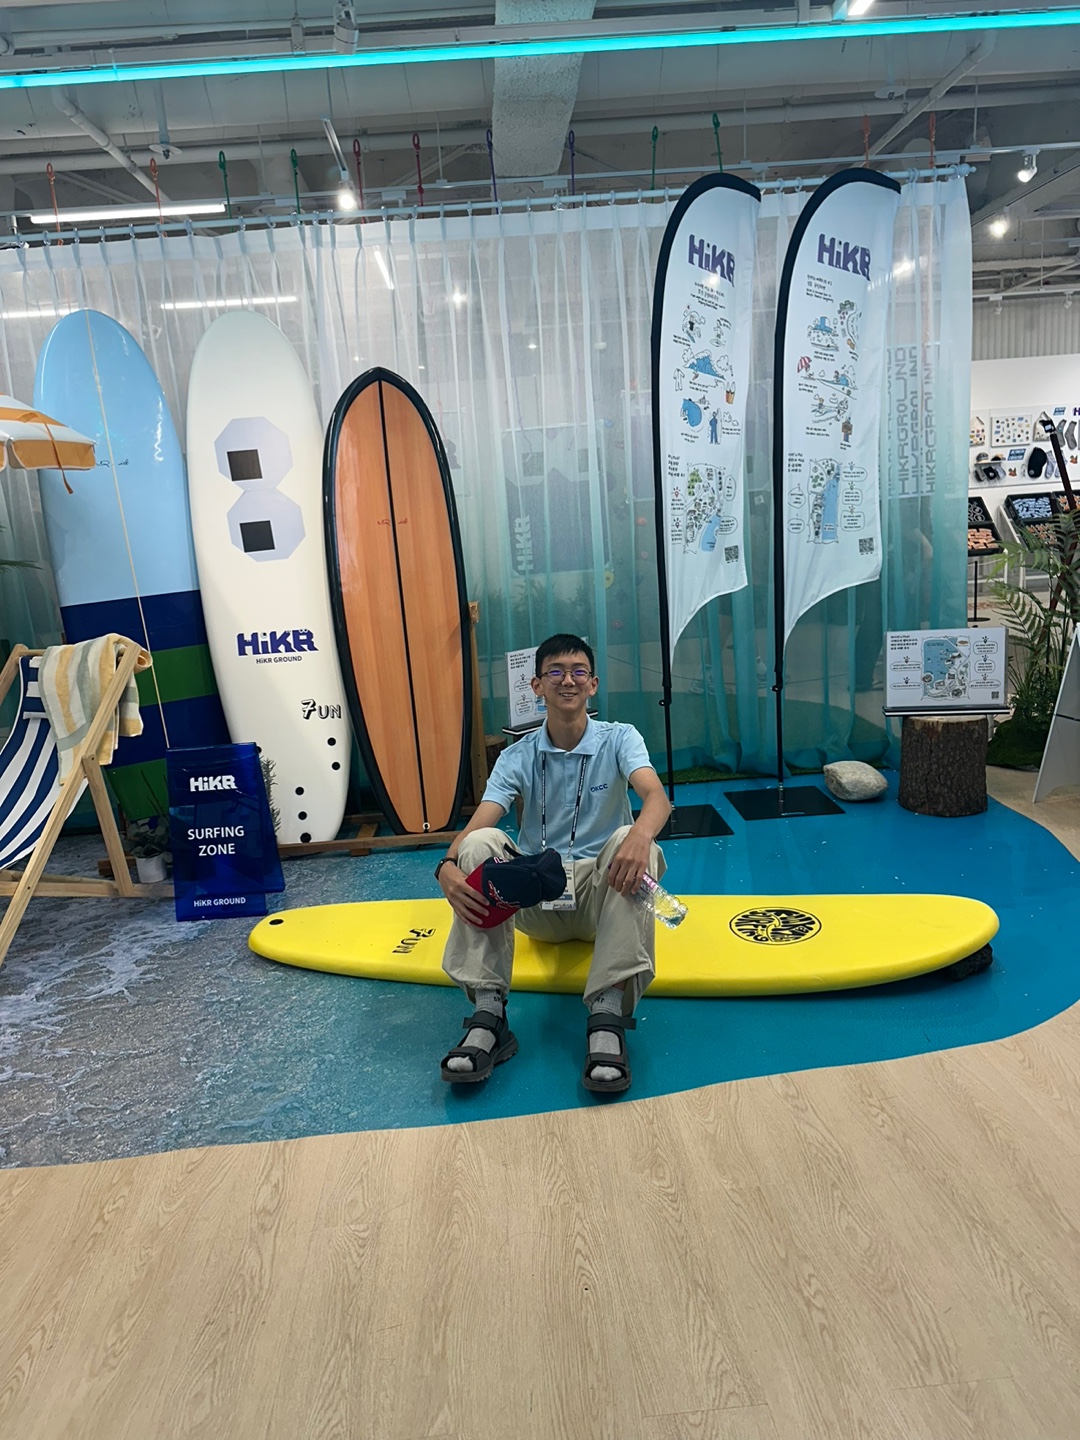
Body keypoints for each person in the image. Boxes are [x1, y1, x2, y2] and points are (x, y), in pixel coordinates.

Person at [434, 633, 672, 1094]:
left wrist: (640, 835)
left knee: (634, 841)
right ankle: (489, 1014)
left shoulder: (620, 738)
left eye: (579, 671)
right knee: (479, 844)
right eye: (556, 672)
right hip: (535, 900)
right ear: (537, 686)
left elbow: (656, 797)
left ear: (593, 684)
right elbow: (481, 822)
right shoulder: (517, 755)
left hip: (604, 900)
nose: (568, 680)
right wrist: (445, 865)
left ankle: (607, 1015)